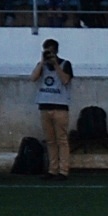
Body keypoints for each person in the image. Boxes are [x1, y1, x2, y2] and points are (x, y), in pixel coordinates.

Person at [30, 39, 74, 181]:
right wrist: (42, 63)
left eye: (51, 51)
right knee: (50, 140)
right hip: (44, 105)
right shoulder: (41, 66)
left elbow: (65, 80)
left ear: (56, 51)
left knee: (62, 140)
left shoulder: (65, 64)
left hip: (60, 106)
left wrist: (55, 65)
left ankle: (63, 170)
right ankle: (52, 169)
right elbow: (33, 78)